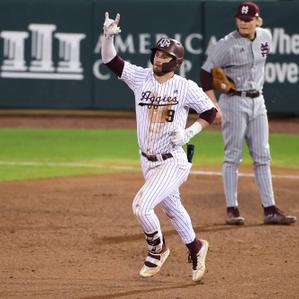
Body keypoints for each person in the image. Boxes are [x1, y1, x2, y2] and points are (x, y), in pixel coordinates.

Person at [101, 12, 217, 281]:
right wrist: (107, 36)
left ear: (176, 62)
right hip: (148, 161)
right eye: (157, 54)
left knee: (141, 207)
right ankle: (197, 248)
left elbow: (210, 112)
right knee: (174, 210)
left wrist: (189, 133)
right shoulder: (141, 78)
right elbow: (110, 60)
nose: (158, 58)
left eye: (165, 56)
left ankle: (158, 249)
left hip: (173, 160)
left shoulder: (185, 87)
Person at [200, 1, 296, 225]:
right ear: (236, 20)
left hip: (258, 101)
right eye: (240, 19)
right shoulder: (225, 44)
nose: (243, 23)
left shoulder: (265, 37)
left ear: (257, 20)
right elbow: (205, 73)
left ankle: (270, 209)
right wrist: (214, 105)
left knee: (263, 156)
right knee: (232, 156)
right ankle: (232, 209)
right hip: (233, 102)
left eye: (248, 19)